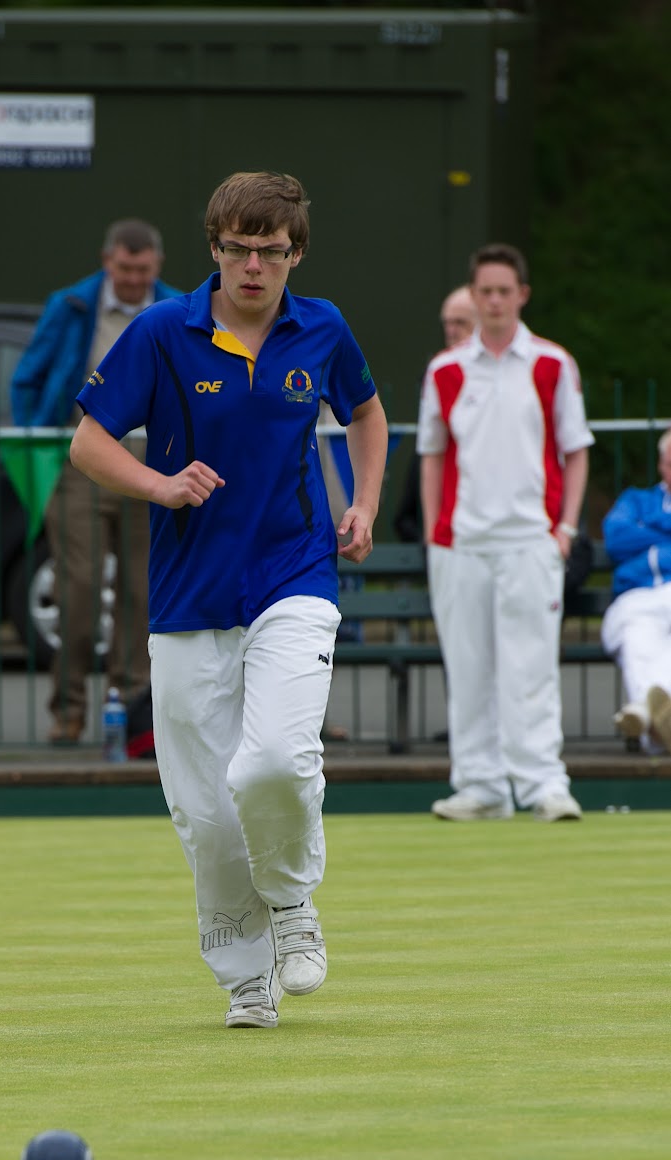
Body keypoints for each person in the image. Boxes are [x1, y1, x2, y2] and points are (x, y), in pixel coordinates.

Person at [70, 170, 387, 1029]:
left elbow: (365, 413)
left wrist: (360, 501)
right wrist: (160, 485)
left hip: (294, 574)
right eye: (238, 249)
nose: (254, 266)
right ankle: (244, 977)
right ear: (214, 249)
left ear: (295, 254)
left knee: (275, 761)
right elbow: (89, 444)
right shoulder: (162, 331)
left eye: (271, 251)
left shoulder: (321, 327)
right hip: (187, 596)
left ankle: (291, 907)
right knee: (205, 811)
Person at [417, 242, 593, 822]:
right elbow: (432, 455)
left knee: (532, 666)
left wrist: (564, 527)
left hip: (531, 540)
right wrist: (434, 535)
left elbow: (575, 451)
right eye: (484, 291)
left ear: (521, 295)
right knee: (467, 667)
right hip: (462, 542)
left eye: (503, 291)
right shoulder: (444, 370)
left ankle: (544, 782)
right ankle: (481, 785)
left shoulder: (552, 364)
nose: (493, 301)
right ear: (474, 296)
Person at [10, 219, 180, 745]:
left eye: (143, 271)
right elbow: (28, 376)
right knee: (77, 586)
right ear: (108, 262)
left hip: (151, 463)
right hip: (80, 460)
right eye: (125, 269)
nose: (133, 279)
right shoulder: (72, 306)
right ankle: (68, 707)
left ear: (157, 268)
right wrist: (38, 434)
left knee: (141, 591)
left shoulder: (177, 309)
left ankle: (131, 711)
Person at [600, 428, 671, 753]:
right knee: (635, 636)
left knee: (650, 646)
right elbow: (616, 537)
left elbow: (631, 539)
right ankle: (655, 717)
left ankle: (643, 714)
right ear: (660, 465)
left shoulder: (643, 514)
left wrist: (648, 531)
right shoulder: (636, 500)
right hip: (636, 600)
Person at [394, 286, 476, 545]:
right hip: (445, 518)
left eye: (460, 322)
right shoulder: (438, 372)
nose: (451, 330)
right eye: (447, 323)